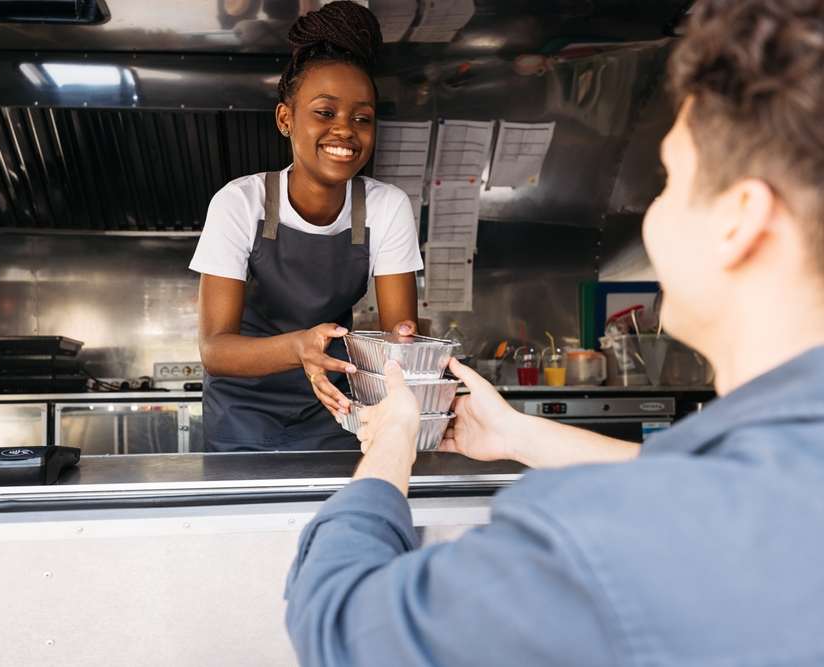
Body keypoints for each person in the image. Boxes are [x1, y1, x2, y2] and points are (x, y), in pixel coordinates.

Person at [285, 0, 824, 663]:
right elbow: (709, 492)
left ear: (740, 220)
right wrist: (518, 433)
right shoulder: (775, 479)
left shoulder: (595, 545)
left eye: (670, 184)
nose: (651, 218)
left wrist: (395, 437)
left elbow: (343, 629)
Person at [190, 2, 423, 452]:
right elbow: (215, 351)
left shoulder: (385, 207)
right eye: (325, 112)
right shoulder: (241, 203)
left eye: (362, 118)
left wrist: (407, 350)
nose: (346, 131)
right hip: (243, 416)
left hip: (337, 409)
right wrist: (299, 347)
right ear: (285, 119)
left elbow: (400, 338)